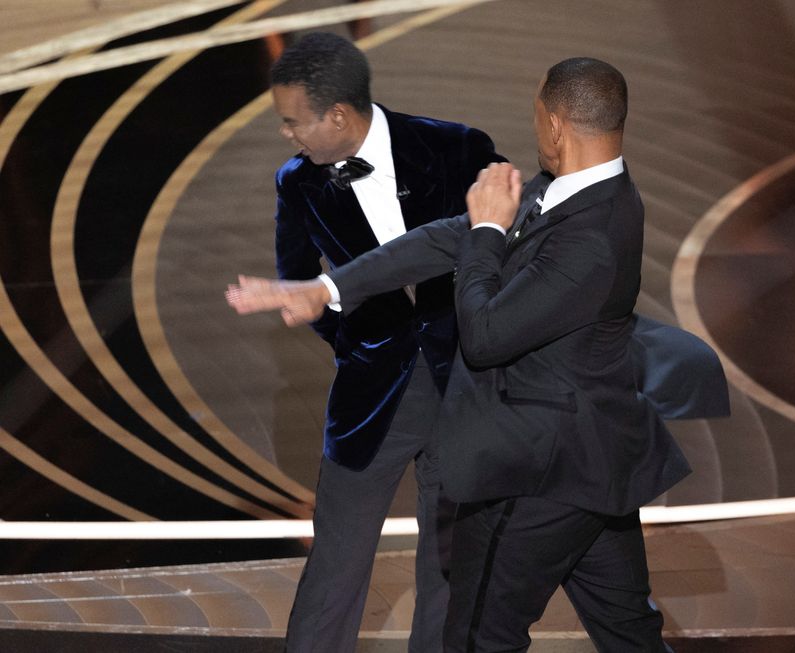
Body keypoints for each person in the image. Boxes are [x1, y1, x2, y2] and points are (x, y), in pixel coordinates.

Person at [230, 57, 725, 652]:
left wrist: (488, 231)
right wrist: (327, 288)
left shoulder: (594, 236)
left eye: (537, 112)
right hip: (595, 468)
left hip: (542, 472)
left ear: (556, 124)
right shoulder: (566, 190)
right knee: (629, 632)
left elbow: (486, 336)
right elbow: (445, 237)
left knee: (477, 637)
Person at [264, 32, 504, 652]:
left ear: (338, 116)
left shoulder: (458, 147)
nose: (286, 135)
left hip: (467, 384)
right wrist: (357, 341)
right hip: (371, 395)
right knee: (336, 562)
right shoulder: (296, 183)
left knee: (450, 560)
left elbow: (505, 252)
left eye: (293, 122)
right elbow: (298, 279)